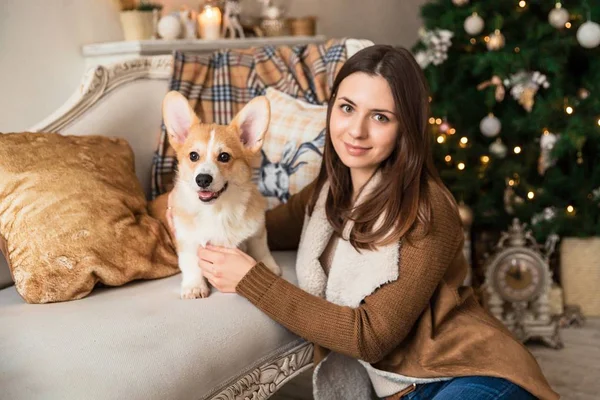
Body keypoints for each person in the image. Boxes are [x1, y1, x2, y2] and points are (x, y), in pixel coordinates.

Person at [165, 45, 559, 400]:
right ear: (332, 108)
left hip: (465, 373)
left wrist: (251, 279)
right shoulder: (327, 194)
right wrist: (176, 212)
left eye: (381, 117)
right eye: (348, 108)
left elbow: (369, 337)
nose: (356, 130)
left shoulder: (429, 207)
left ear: (406, 126)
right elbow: (256, 223)